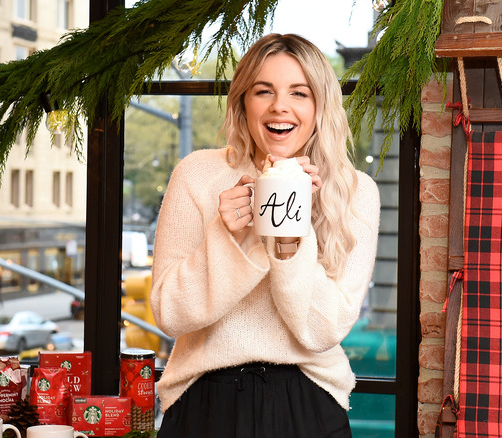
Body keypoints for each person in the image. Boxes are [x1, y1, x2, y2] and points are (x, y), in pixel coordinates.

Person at [150, 33, 380, 438]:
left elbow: (323, 331)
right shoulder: (197, 173)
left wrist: (289, 235)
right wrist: (232, 237)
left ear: (319, 106)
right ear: (243, 101)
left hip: (308, 401)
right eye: (264, 91)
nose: (280, 106)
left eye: (299, 92)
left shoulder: (354, 191)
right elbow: (170, 314)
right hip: (204, 401)